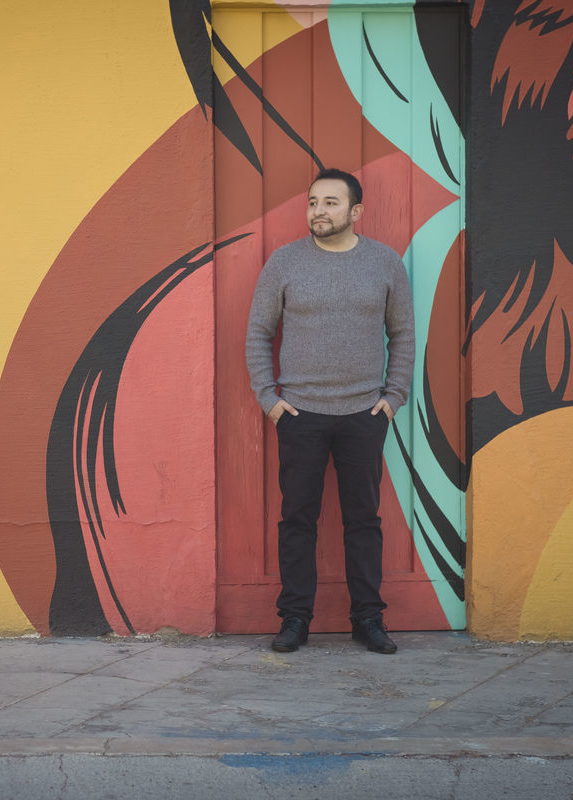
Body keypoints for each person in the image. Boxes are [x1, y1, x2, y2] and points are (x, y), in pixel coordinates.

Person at [245, 168, 415, 655]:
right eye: (313, 202)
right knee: (298, 519)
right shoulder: (284, 263)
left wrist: (393, 397)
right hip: (300, 414)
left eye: (331, 203)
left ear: (355, 211)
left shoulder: (384, 264)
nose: (319, 211)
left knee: (364, 520)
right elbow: (258, 332)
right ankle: (295, 618)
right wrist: (271, 400)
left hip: (364, 412)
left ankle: (368, 619)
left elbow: (402, 333)